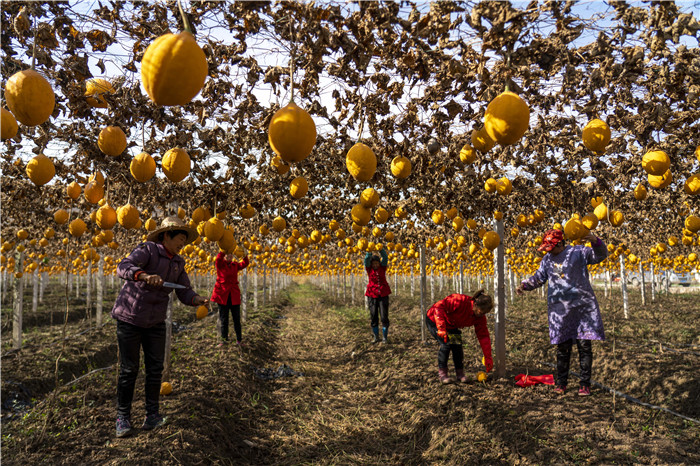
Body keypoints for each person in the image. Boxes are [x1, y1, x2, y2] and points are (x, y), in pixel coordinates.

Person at [111, 217, 209, 438]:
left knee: (155, 369)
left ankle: (151, 415)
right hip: (130, 318)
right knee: (129, 369)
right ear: (166, 235)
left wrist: (197, 300)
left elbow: (184, 290)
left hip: (155, 321)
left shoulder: (178, 263)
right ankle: (123, 417)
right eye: (180, 238)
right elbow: (123, 266)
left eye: (185, 240)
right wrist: (143, 276)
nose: (182, 243)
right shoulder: (148, 250)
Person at [516, 229, 608, 396]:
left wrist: (595, 241)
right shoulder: (547, 260)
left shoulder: (578, 252)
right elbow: (539, 277)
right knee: (563, 347)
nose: (548, 251)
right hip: (560, 310)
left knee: (584, 346)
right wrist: (525, 285)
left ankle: (584, 384)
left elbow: (600, 255)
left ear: (559, 243)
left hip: (582, 308)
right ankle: (562, 383)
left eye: (551, 247)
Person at [426, 290, 494, 384]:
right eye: (481, 312)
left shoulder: (480, 317)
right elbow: (439, 306)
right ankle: (443, 375)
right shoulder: (459, 300)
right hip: (434, 319)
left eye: (484, 313)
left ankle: (460, 374)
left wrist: (488, 356)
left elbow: (483, 336)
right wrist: (441, 327)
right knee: (446, 344)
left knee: (457, 346)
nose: (482, 315)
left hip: (451, 325)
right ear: (475, 305)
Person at [211, 248, 249, 346]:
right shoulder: (220, 264)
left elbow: (245, 264)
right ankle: (224, 340)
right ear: (224, 255)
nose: (229, 256)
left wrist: (245, 256)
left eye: (231, 255)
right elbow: (218, 259)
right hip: (223, 295)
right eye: (227, 254)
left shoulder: (235, 265)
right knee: (224, 319)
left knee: (236, 319)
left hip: (233, 295)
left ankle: (239, 340)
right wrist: (225, 248)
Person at [364, 247, 391, 343]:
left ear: (379, 263)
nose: (375, 265)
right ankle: (376, 337)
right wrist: (369, 251)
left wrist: (380, 249)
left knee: (384, 316)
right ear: (371, 264)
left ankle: (385, 337)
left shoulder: (383, 268)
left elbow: (385, 257)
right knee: (373, 316)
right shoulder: (369, 269)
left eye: (377, 263)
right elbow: (366, 260)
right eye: (374, 263)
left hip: (383, 294)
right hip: (372, 295)